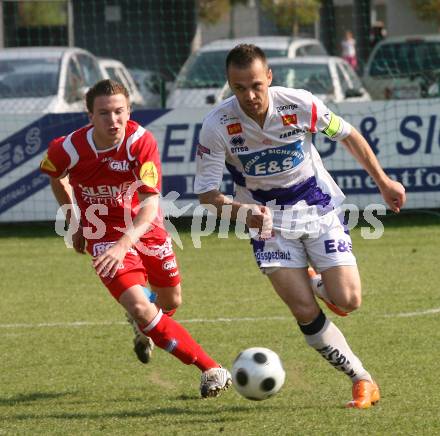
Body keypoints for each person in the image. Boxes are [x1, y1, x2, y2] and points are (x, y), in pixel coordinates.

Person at [194, 44, 406, 408]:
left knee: (349, 300)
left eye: (256, 85)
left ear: (270, 78)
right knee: (304, 310)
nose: (249, 95)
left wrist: (384, 183)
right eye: (239, 87)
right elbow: (208, 195)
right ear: (229, 85)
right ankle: (362, 379)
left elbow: (349, 135)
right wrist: (243, 213)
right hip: (267, 223)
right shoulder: (217, 125)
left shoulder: (300, 104)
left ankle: (309, 278)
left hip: (318, 210)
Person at [39, 79, 231, 398]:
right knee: (143, 307)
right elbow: (56, 177)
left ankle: (145, 327)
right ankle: (211, 369)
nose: (113, 120)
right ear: (89, 115)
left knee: (170, 301)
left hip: (145, 229)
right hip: (101, 236)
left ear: (129, 110)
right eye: (103, 113)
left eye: (119, 112)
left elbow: (150, 205)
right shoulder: (67, 148)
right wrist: (75, 221)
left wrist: (124, 244)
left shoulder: (139, 142)